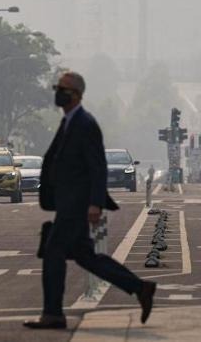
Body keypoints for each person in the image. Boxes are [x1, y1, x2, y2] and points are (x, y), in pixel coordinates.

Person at [24, 71, 156, 330]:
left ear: (76, 94)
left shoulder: (85, 124)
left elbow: (97, 167)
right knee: (86, 257)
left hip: (76, 204)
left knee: (53, 252)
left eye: (63, 89)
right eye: (57, 88)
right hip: (67, 202)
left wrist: (95, 203)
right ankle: (140, 288)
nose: (58, 93)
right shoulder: (69, 122)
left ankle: (53, 314)